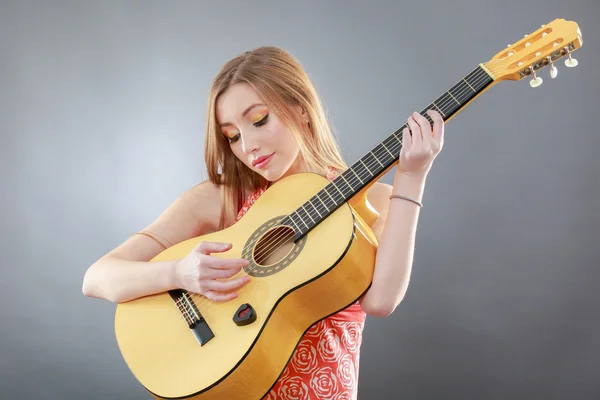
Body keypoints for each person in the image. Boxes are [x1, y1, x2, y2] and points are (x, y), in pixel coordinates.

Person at [82, 46, 444, 400]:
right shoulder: (224, 198)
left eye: (258, 121)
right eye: (233, 136)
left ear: (300, 108)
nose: (248, 146)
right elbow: (97, 277)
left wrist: (412, 177)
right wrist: (179, 274)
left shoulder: (372, 201)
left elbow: (380, 301)